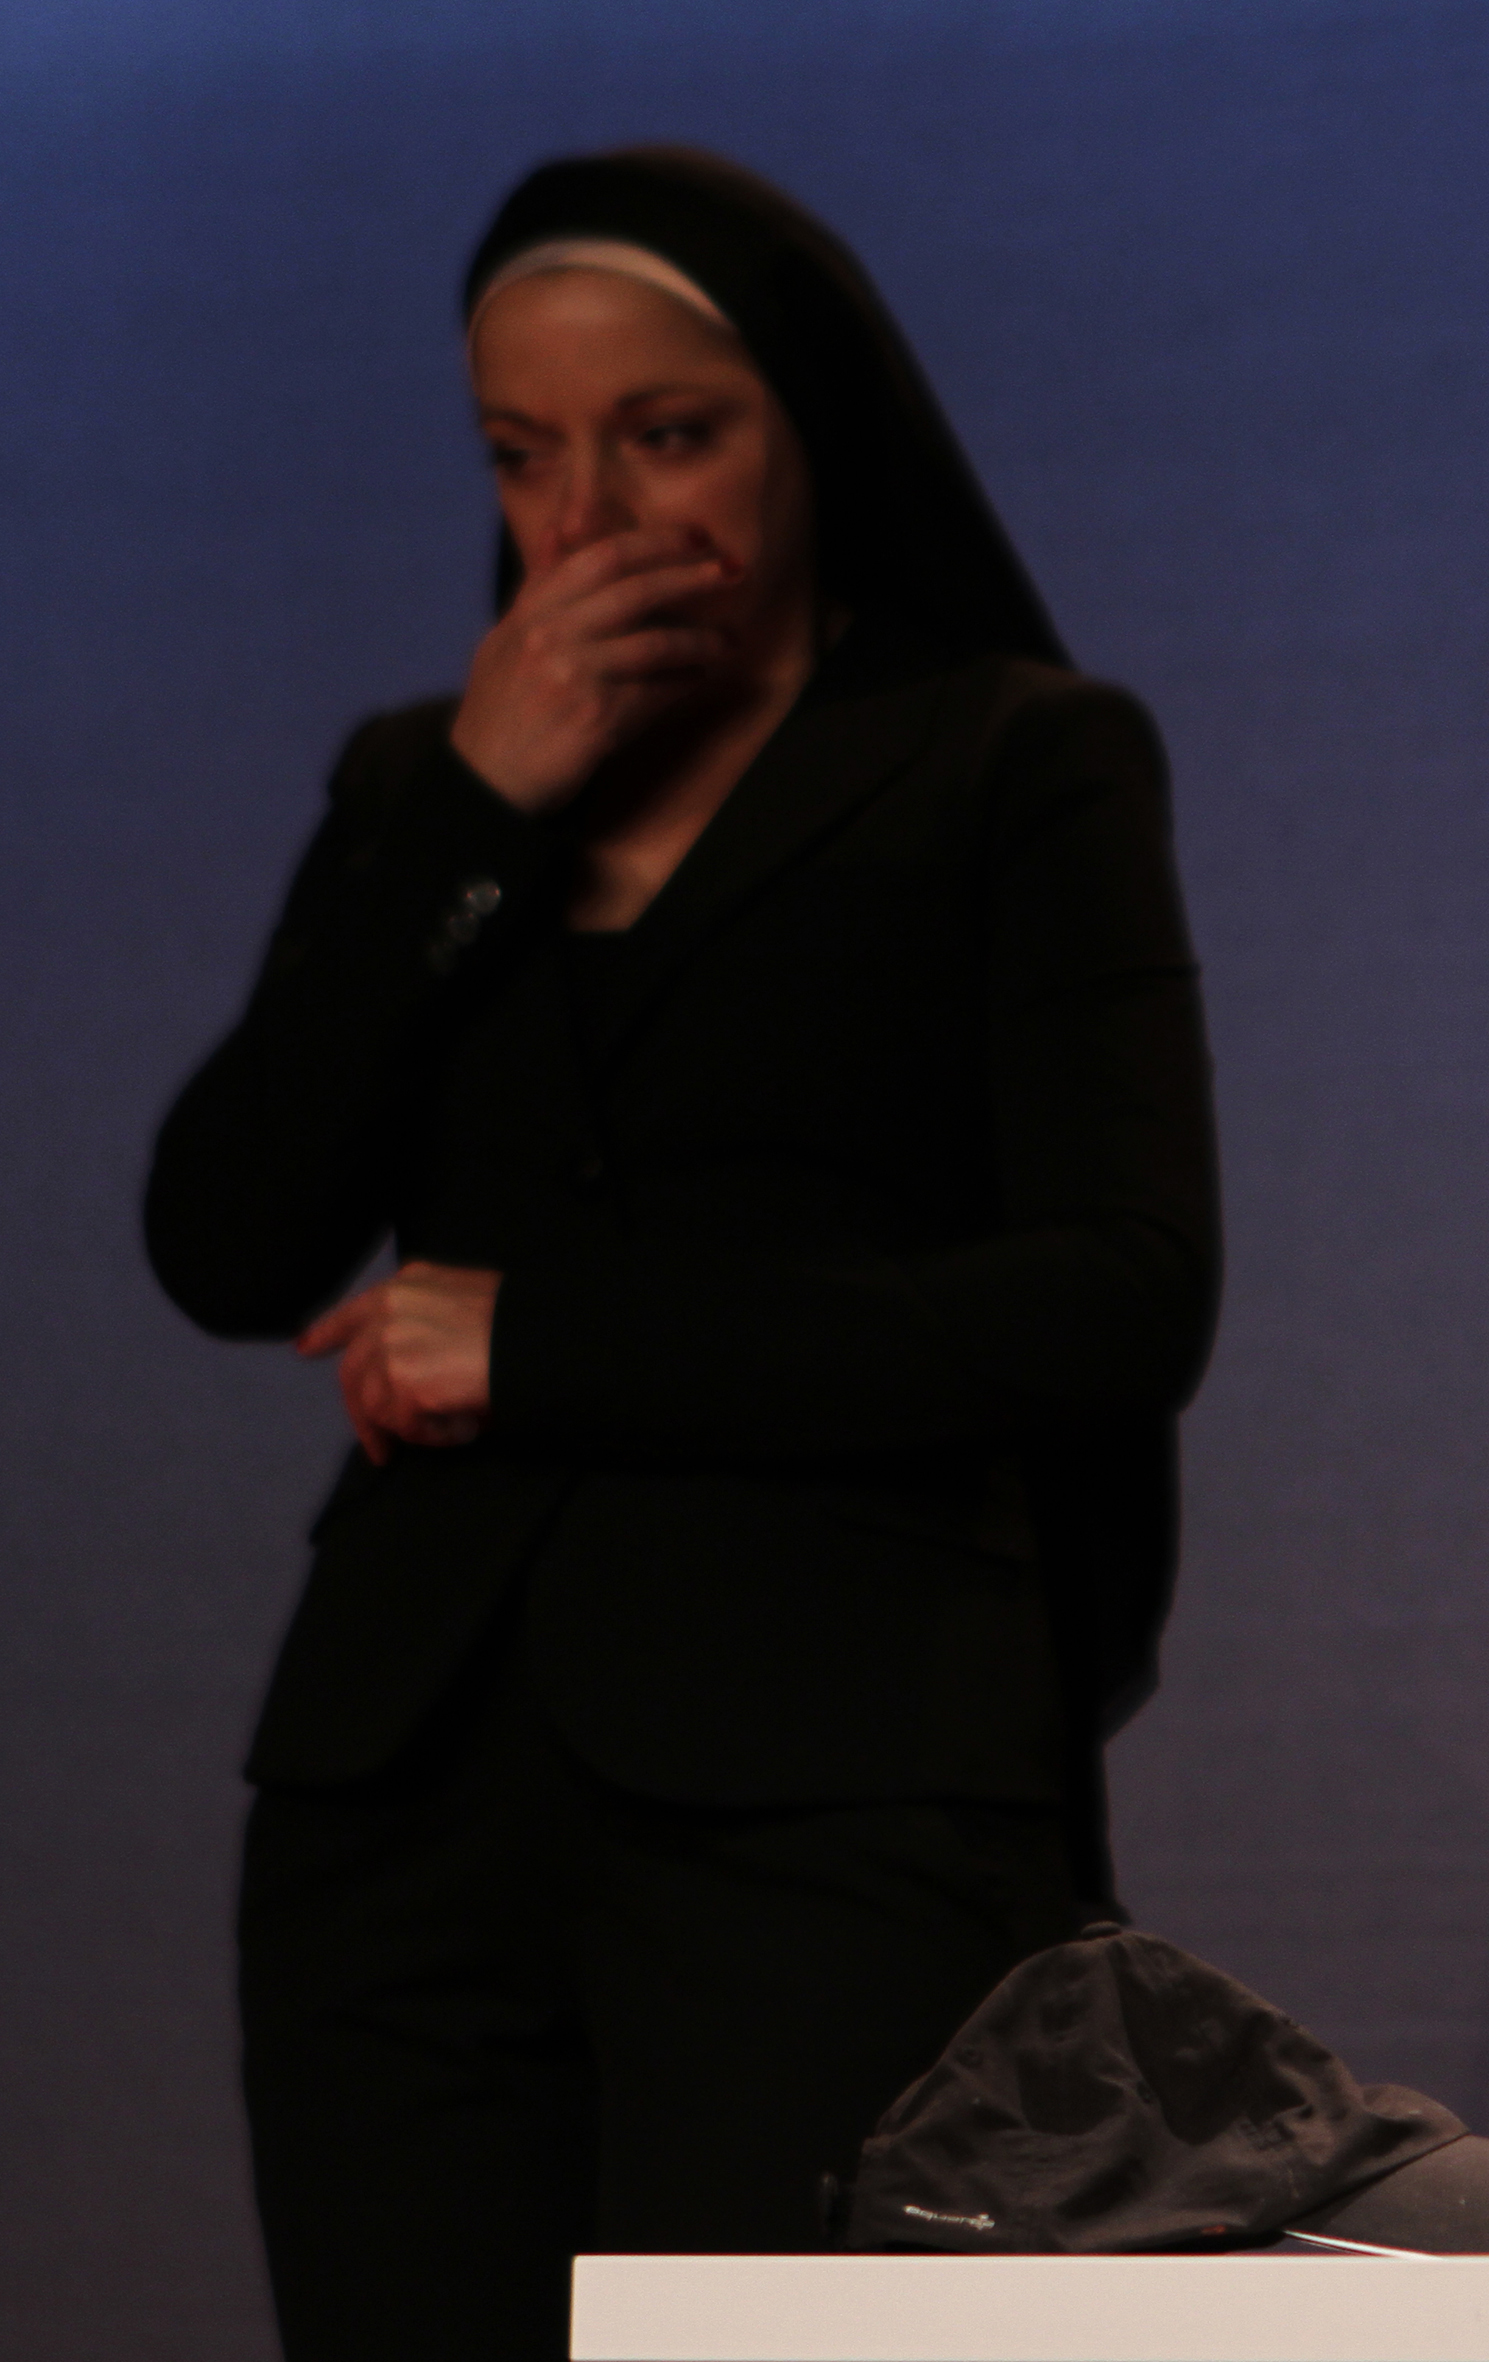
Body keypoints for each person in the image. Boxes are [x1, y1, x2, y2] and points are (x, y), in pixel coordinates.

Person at [143, 148, 1220, 2359]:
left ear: (810, 425)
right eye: (520, 453)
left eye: (668, 433)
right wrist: (472, 804)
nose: (592, 517)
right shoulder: (425, 786)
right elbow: (227, 1237)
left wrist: (544, 1342)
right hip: (404, 1800)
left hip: (839, 1782)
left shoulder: (1010, 759)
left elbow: (1119, 1289)